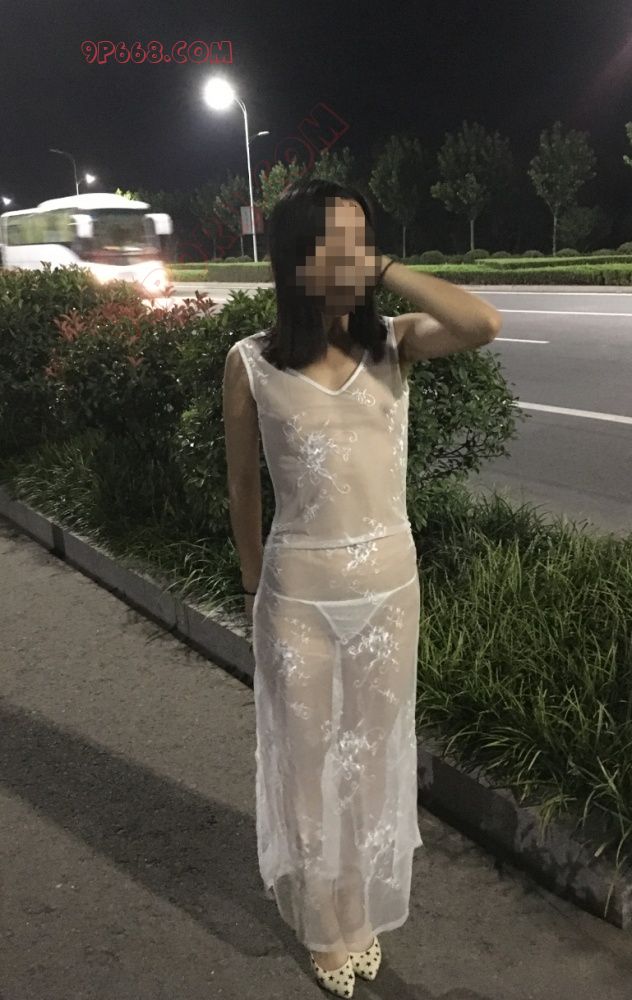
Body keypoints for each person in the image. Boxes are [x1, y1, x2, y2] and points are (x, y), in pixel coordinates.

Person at [222, 178, 501, 996]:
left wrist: (383, 270)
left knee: (372, 757)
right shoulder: (250, 363)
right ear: (293, 259)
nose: (350, 256)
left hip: (389, 593)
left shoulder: (395, 345)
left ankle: (358, 904)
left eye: (361, 239)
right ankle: (325, 919)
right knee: (309, 761)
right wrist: (251, 587)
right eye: (331, 241)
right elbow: (242, 488)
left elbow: (482, 324)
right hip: (298, 597)